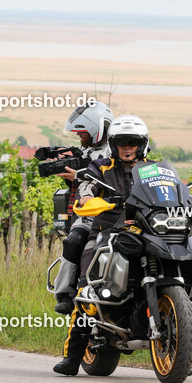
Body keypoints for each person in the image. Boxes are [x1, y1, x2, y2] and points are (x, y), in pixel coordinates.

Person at [54, 114, 150, 376]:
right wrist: (86, 198)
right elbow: (86, 184)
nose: (128, 148)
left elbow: (173, 187)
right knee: (88, 292)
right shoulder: (101, 166)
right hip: (104, 232)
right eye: (122, 143)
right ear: (114, 144)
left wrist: (190, 200)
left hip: (145, 232)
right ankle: (72, 358)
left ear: (141, 144)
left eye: (133, 142)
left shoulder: (153, 168)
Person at [53, 101, 113, 314]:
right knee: (74, 239)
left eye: (83, 133)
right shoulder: (86, 150)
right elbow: (84, 187)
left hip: (119, 212)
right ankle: (64, 294)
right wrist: (73, 178)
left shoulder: (116, 150)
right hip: (91, 213)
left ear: (97, 129)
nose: (80, 137)